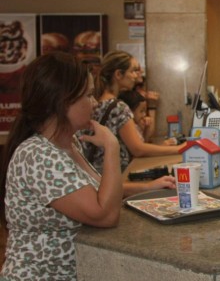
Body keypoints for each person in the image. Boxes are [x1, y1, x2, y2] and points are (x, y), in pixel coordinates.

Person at [0, 52, 122, 280]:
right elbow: (105, 215)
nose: (94, 103)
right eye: (88, 95)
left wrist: (148, 187)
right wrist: (112, 148)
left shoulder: (70, 142)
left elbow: (94, 189)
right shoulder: (37, 155)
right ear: (63, 102)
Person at [89, 50, 180, 196]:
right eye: (132, 71)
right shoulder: (118, 106)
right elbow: (138, 148)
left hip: (98, 177)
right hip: (112, 179)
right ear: (118, 74)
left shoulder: (99, 102)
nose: (136, 76)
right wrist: (180, 149)